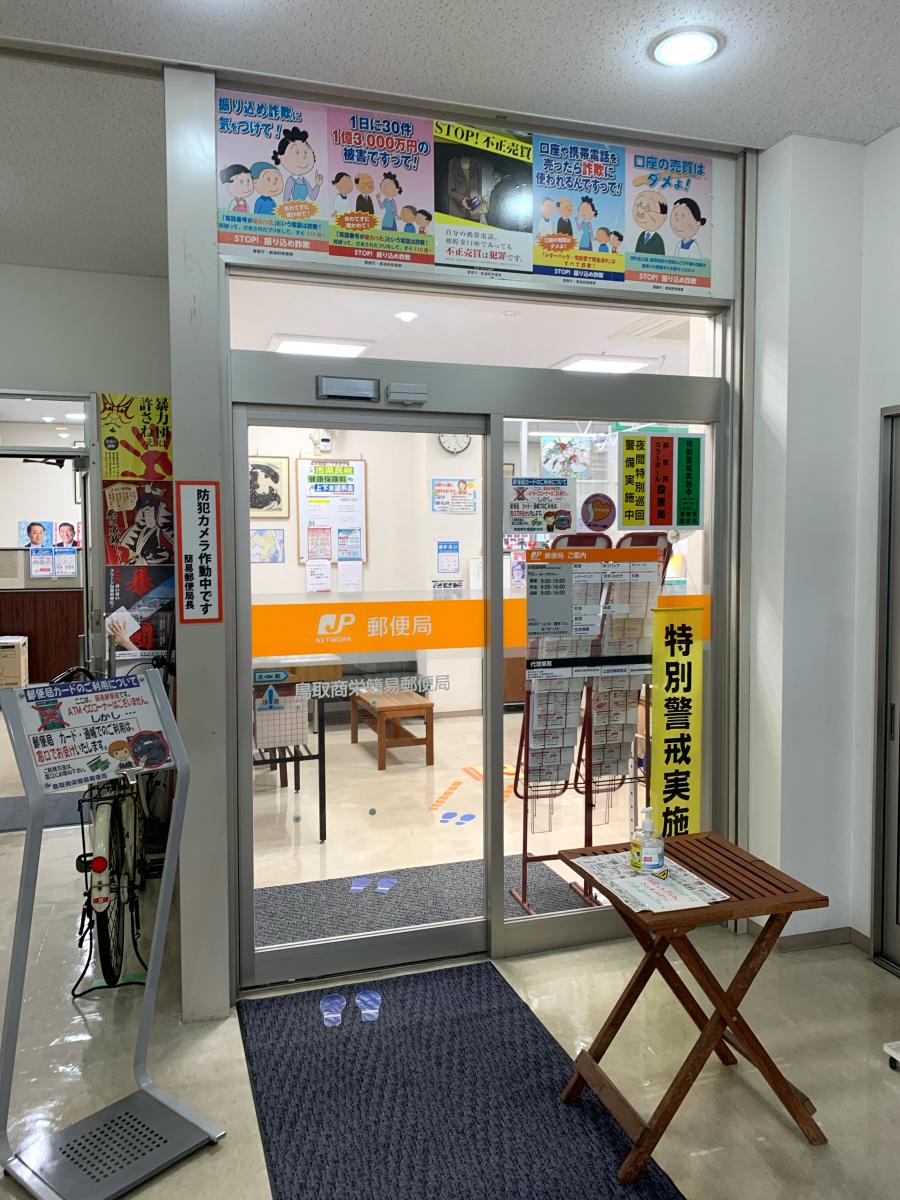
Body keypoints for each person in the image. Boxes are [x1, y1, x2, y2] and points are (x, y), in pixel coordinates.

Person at [117, 488, 174, 564]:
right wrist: (131, 559)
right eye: (146, 515)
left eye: (151, 514)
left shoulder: (162, 532)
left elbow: (167, 551)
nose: (149, 517)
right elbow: (134, 553)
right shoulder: (139, 531)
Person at [271, 127, 322, 203]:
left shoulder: (304, 180)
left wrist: (318, 184)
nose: (303, 157)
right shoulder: (291, 181)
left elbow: (313, 196)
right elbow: (285, 200)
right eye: (297, 152)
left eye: (305, 152)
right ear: (281, 157)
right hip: (293, 209)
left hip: (304, 209)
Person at [446, 154, 484, 221]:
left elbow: (479, 190)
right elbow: (450, 191)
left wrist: (480, 204)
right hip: (457, 214)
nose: (466, 159)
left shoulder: (477, 164)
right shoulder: (453, 163)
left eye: (468, 156)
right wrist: (462, 199)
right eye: (463, 156)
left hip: (474, 214)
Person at [632, 190, 667, 254]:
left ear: (662, 217)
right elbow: (636, 252)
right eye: (639, 205)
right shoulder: (641, 235)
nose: (640, 210)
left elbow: (661, 257)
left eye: (648, 208)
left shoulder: (658, 239)